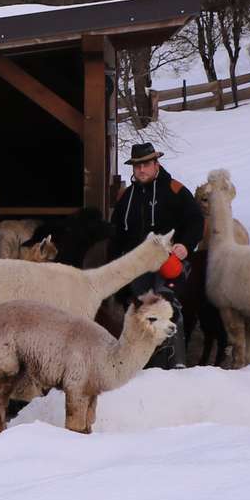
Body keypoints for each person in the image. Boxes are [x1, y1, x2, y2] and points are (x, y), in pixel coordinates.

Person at [110, 142, 204, 367]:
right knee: (138, 311)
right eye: (136, 166)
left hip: (168, 263)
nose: (141, 170)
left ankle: (175, 364)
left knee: (166, 306)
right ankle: (141, 365)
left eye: (145, 164)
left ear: (156, 164)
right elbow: (117, 234)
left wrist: (185, 245)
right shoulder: (127, 196)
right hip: (137, 266)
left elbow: (196, 221)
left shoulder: (175, 189)